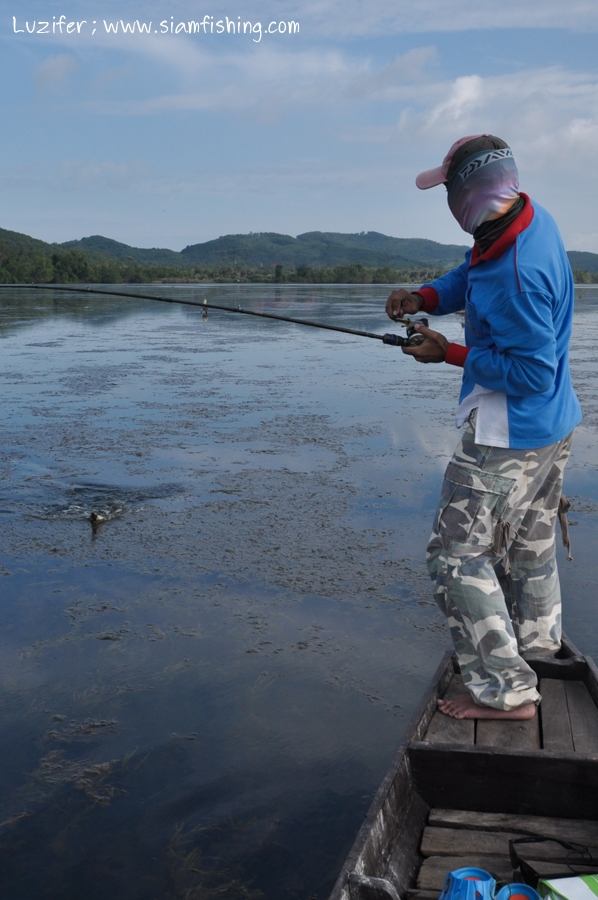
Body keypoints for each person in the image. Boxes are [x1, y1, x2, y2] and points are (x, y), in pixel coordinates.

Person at [386, 134, 582, 720]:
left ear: (470, 192)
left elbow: (530, 371)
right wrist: (425, 294)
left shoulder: (520, 272)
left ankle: (507, 690)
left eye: (449, 189)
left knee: (453, 555)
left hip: (511, 433)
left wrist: (447, 353)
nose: (447, 198)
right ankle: (539, 650)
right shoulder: (521, 220)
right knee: (529, 543)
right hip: (554, 425)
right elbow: (471, 273)